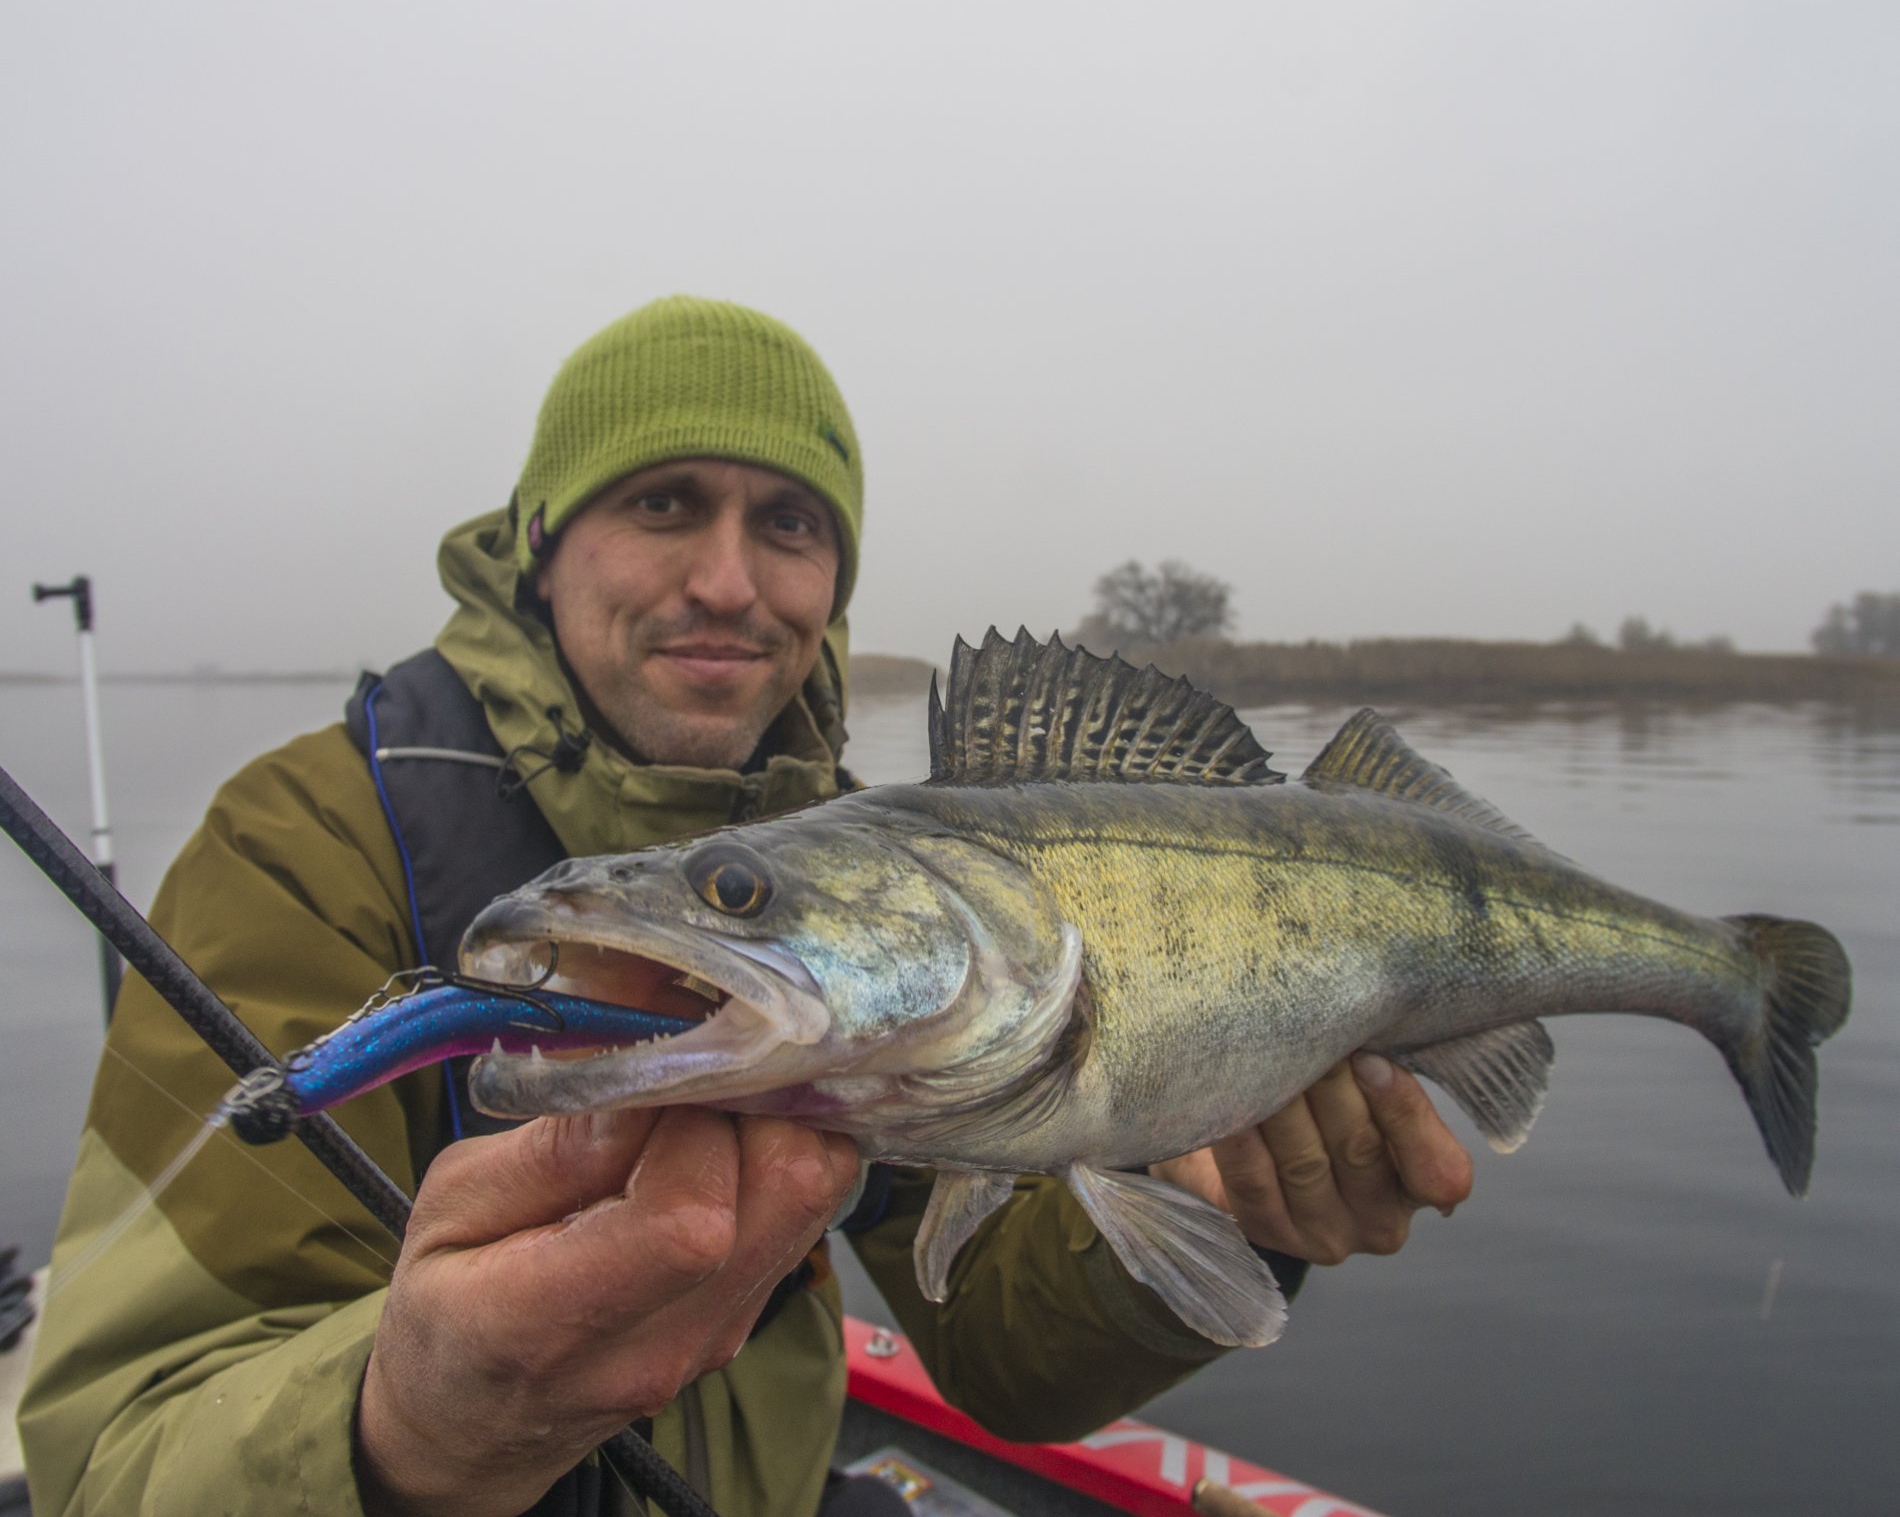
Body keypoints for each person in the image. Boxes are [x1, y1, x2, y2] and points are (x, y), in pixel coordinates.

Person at [20, 297, 1473, 1517]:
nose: (728, 580)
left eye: (787, 523)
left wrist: (1218, 1209)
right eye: (662, 503)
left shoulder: (888, 898)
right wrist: (404, 1432)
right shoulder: (299, 844)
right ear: (539, 542)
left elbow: (1000, 1354)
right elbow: (114, 1449)